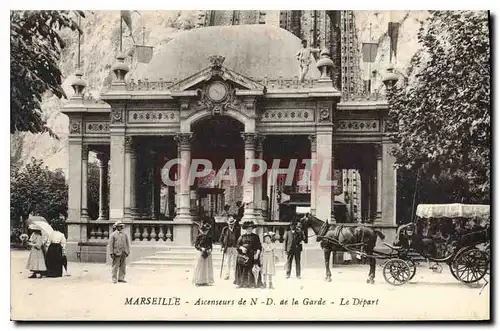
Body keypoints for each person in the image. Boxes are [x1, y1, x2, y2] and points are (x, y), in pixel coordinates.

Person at [234, 221, 264, 288]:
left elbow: (259, 246)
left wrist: (257, 254)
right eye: (248, 228)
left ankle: (253, 284)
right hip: (244, 256)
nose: (249, 229)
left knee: (252, 269)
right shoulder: (242, 237)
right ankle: (242, 283)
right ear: (246, 229)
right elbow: (237, 245)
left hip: (252, 255)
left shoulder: (255, 236)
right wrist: (241, 247)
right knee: (243, 269)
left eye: (251, 228)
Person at [193, 222, 214, 286]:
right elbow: (196, 245)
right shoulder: (199, 237)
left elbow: (211, 246)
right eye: (204, 231)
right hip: (200, 253)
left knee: (207, 267)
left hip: (207, 253)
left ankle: (206, 280)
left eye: (206, 231)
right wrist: (201, 248)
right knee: (199, 266)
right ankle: (198, 281)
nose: (205, 232)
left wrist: (210, 249)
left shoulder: (209, 237)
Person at [219, 215, 240, 280]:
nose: (231, 225)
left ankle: (235, 275)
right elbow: (221, 238)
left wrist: (238, 246)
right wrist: (222, 246)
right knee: (227, 261)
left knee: (234, 261)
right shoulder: (225, 229)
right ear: (228, 223)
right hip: (227, 247)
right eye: (230, 224)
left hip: (234, 247)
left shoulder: (237, 229)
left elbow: (239, 238)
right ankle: (227, 275)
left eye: (232, 224)